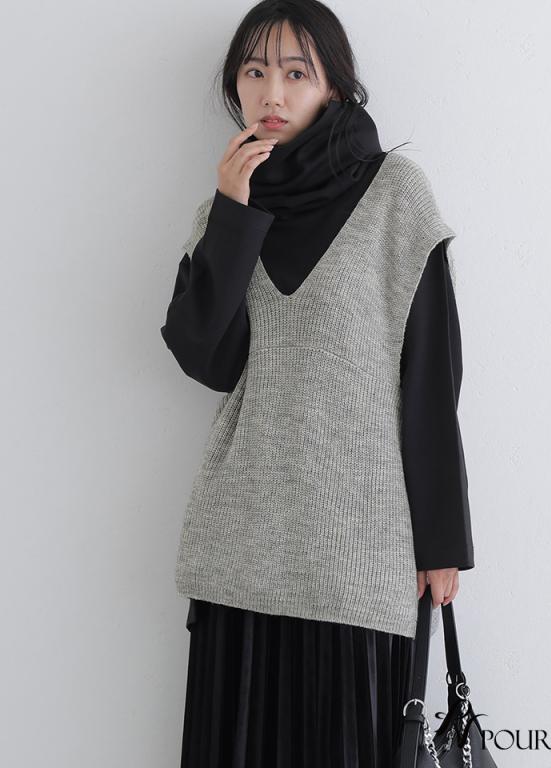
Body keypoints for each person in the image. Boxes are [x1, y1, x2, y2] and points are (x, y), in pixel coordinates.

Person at [160, 1, 475, 765]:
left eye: (296, 73)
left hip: (357, 558)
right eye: (254, 71)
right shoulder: (225, 212)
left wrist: (442, 542)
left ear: (333, 86)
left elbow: (432, 375)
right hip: (242, 553)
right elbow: (206, 359)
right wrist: (234, 216)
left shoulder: (395, 194)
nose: (272, 92)